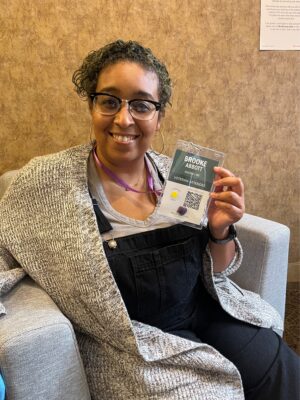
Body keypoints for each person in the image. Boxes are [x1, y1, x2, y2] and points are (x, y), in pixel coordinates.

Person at [0, 40, 299, 400]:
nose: (124, 119)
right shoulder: (47, 181)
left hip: (206, 308)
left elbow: (216, 271)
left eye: (141, 105)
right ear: (92, 106)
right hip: (136, 342)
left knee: (282, 370)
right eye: (109, 101)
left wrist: (220, 230)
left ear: (159, 117)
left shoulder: (179, 175)